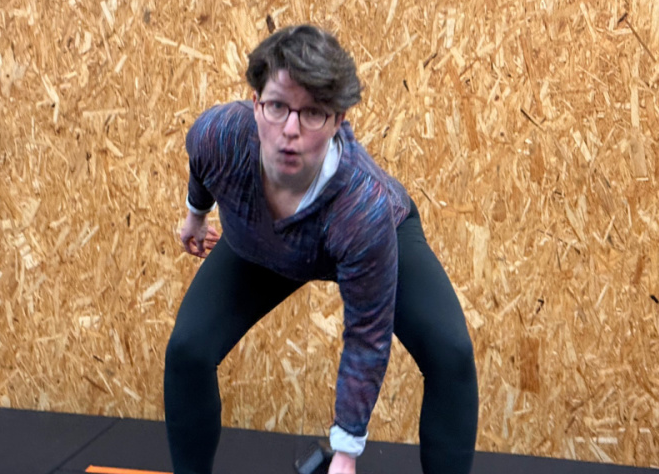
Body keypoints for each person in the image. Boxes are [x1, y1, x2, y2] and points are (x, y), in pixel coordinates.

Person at [164, 24, 478, 474]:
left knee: (451, 354)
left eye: (312, 113)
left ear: (337, 120)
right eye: (277, 106)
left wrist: (345, 453)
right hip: (263, 241)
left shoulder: (362, 206)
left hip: (370, 237)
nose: (290, 130)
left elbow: (366, 335)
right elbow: (203, 169)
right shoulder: (219, 134)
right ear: (256, 103)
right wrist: (195, 216)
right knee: (188, 349)